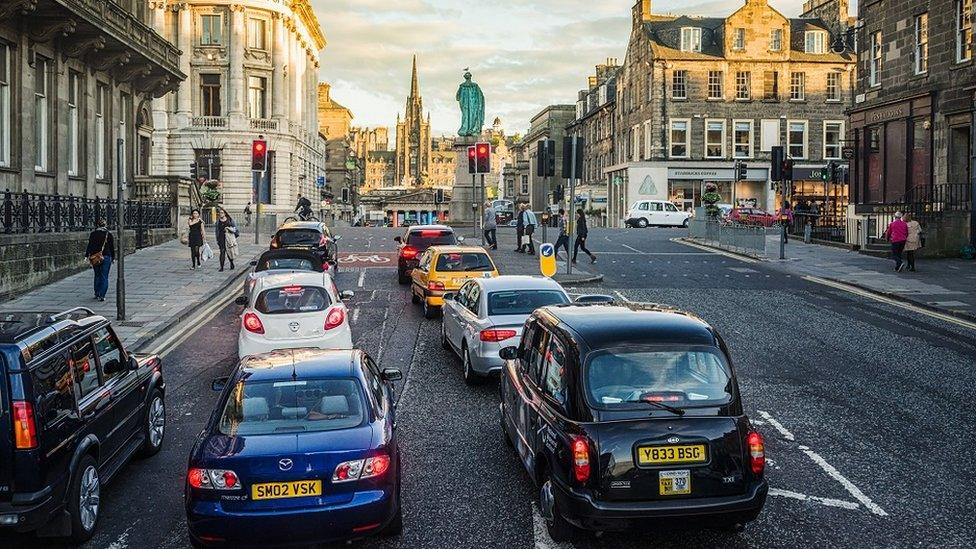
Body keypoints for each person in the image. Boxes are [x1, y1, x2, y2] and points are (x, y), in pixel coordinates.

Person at [85, 219, 115, 301]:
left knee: (97, 275)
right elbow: (112, 247)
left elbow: (90, 245)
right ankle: (102, 295)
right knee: (104, 276)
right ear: (105, 225)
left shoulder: (93, 234)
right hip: (106, 257)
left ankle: (97, 293)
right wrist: (113, 257)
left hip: (95, 257)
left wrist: (86, 255)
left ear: (97, 225)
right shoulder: (108, 234)